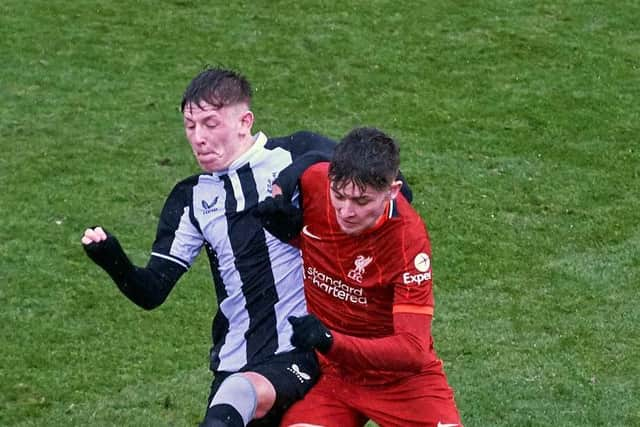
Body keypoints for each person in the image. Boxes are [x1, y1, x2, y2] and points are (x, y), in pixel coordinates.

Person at [80, 67, 339, 427]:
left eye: (210, 123)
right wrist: (112, 258)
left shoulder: (295, 153)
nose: (198, 138)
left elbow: (388, 184)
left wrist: (300, 173)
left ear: (244, 121)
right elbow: (152, 291)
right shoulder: (191, 197)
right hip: (233, 361)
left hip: (298, 349)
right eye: (190, 126)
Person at [255, 127, 463, 427]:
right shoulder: (316, 184)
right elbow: (306, 147)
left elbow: (413, 350)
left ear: (392, 191)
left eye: (362, 201)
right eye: (338, 196)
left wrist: (329, 340)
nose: (346, 211)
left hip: (401, 382)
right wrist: (279, 192)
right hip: (334, 377)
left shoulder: (408, 241)